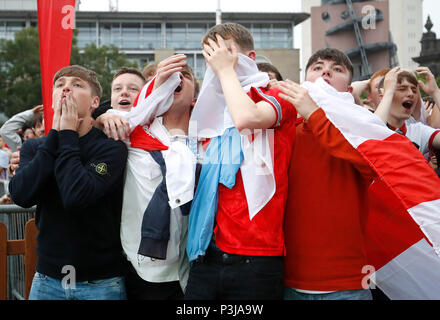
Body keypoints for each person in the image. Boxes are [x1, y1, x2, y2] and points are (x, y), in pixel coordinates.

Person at [184, 22, 297, 300]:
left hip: (255, 259)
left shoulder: (277, 94)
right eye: (211, 56)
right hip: (206, 254)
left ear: (251, 59)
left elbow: (247, 119)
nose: (218, 61)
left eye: (227, 52)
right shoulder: (209, 113)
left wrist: (224, 71)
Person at [8, 65, 128, 300]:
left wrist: (68, 135)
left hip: (101, 283)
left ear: (95, 102)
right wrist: (55, 135)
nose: (66, 89)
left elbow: (77, 196)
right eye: (60, 85)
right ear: (52, 100)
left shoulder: (110, 148)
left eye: (77, 84)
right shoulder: (34, 147)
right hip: (47, 280)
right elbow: (21, 195)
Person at [95, 54, 199, 300]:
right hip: (147, 270)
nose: (173, 81)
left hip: (199, 265)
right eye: (160, 82)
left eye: (183, 76)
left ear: (195, 95)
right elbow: (93, 121)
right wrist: (101, 116)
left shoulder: (209, 134)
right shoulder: (131, 133)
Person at [279, 48, 376, 300]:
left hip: (348, 283)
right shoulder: (284, 130)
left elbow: (371, 166)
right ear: (304, 82)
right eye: (317, 67)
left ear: (348, 89)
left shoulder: (364, 128)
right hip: (289, 280)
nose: (326, 71)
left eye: (338, 69)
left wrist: (314, 113)